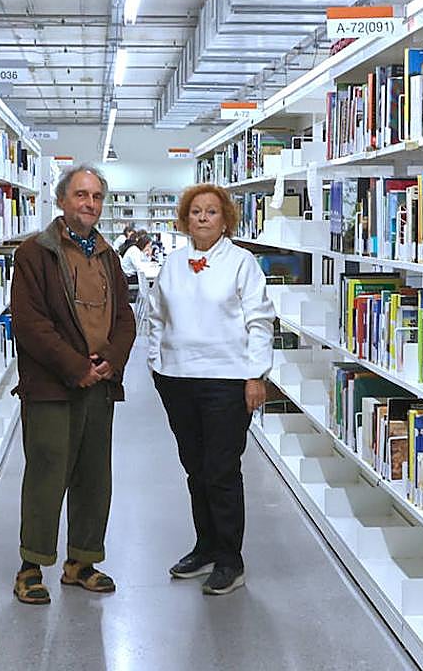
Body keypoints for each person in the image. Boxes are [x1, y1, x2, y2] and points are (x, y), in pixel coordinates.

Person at [9, 163, 136, 605]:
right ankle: (31, 565)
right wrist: (75, 366)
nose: (90, 204)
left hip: (100, 385)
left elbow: (125, 317)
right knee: (46, 474)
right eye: (81, 195)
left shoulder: (108, 255)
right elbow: (30, 324)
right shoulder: (34, 253)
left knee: (94, 475)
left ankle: (82, 561)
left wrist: (111, 361)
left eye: (97, 197)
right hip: (51, 387)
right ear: (62, 200)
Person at [146, 182, 274, 595]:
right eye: (195, 212)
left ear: (225, 220)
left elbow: (259, 321)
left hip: (227, 381)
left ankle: (230, 560)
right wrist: (156, 363)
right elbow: (155, 316)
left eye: (211, 212)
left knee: (221, 470)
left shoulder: (242, 263)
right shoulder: (173, 263)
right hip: (177, 379)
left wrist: (257, 374)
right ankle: (205, 548)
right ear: (185, 220)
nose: (202, 218)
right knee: (195, 469)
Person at [119, 231, 153, 302]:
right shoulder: (134, 251)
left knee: (150, 282)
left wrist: (149, 255)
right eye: (148, 246)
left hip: (132, 274)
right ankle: (147, 300)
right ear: (144, 244)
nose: (149, 248)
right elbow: (139, 267)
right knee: (151, 283)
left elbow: (144, 261)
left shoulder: (138, 251)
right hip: (128, 277)